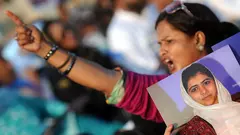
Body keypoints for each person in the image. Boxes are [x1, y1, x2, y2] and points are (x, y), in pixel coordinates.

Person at [5, 0, 239, 132]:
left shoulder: (234, 64)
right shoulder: (177, 94)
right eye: (159, 44)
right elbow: (109, 82)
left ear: (198, 39)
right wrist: (46, 50)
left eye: (170, 41)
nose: (162, 52)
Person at [165, 63, 240, 135]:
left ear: (215, 82)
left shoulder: (237, 105)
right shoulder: (192, 130)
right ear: (188, 97)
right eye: (194, 89)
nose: (203, 91)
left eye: (206, 82)